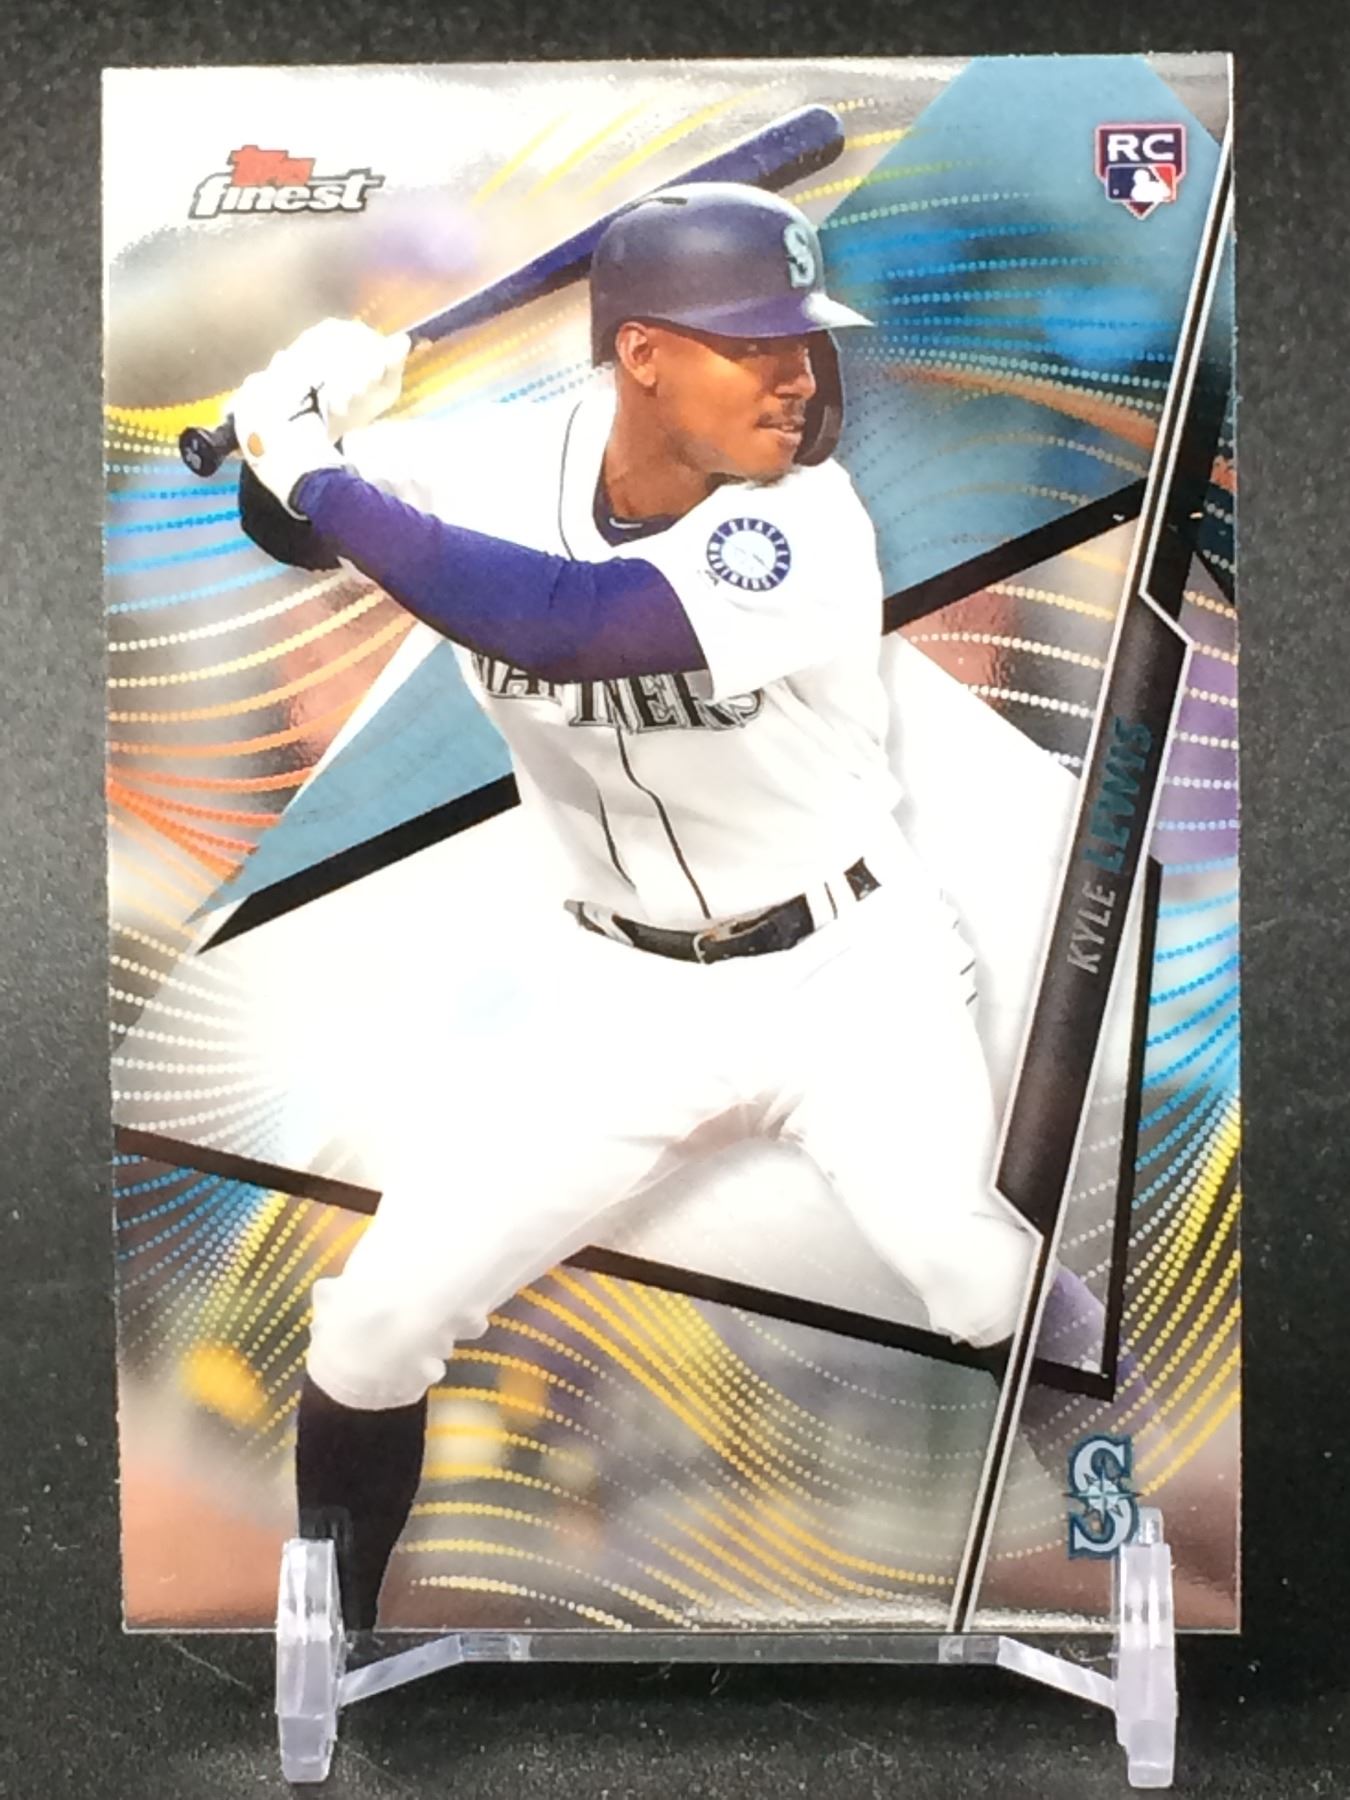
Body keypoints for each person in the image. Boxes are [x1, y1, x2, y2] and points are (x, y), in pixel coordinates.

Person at [234, 182, 1107, 1636]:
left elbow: (566, 626)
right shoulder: (499, 462)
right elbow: (301, 533)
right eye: (752, 343)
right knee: (380, 1321)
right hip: (619, 997)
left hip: (848, 974)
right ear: (640, 354)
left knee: (967, 1267)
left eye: (802, 341)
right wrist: (290, 427)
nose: (797, 375)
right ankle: (331, 1645)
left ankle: (1130, 1528)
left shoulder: (804, 522)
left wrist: (319, 476)